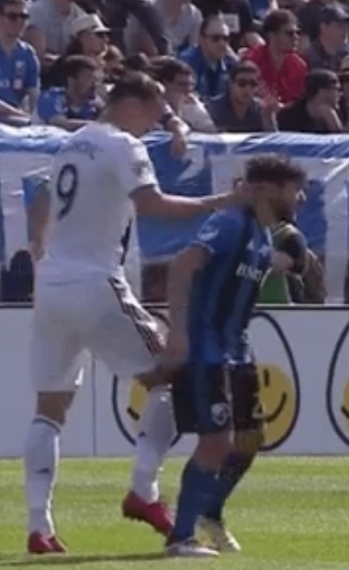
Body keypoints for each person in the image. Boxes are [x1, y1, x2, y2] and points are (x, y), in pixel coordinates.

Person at [23, 71, 247, 555]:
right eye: (152, 113)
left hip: (52, 288)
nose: (151, 127)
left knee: (49, 411)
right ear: (130, 105)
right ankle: (144, 492)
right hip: (96, 284)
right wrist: (221, 202)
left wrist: (38, 252)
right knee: (175, 371)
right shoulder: (123, 144)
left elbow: (40, 198)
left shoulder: (72, 141)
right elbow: (152, 204)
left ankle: (39, 527)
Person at [165, 154, 307, 557]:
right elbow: (183, 265)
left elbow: (275, 264)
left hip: (237, 351)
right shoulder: (229, 223)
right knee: (215, 441)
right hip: (209, 351)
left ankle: (210, 512)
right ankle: (181, 537)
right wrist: (177, 331)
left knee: (250, 439)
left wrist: (297, 261)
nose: (302, 198)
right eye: (295, 189)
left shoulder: (263, 235)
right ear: (266, 189)